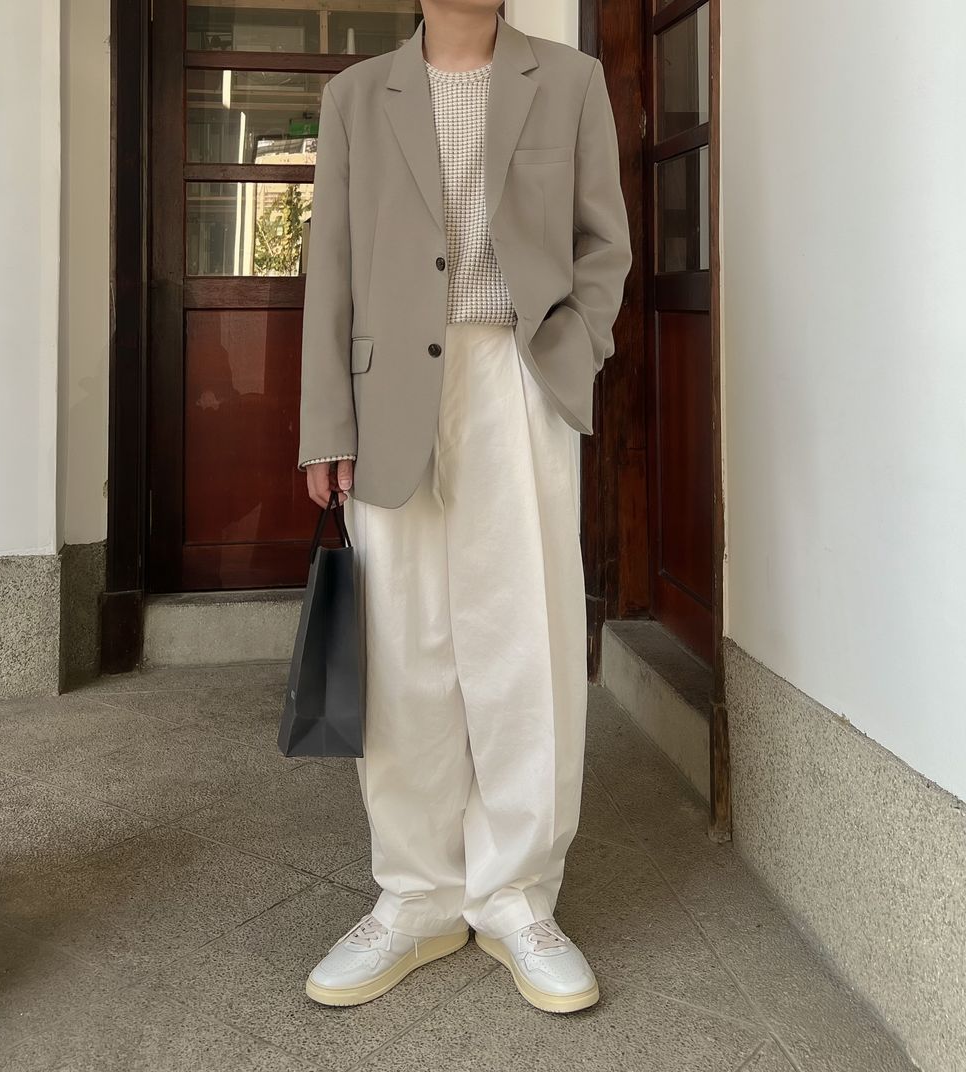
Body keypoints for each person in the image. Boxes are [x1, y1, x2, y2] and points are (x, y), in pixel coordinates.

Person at [296, 0, 632, 1014]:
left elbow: (602, 243)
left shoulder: (569, 81)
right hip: (390, 392)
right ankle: (416, 896)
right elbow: (330, 265)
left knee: (525, 639)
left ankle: (518, 897)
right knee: (404, 645)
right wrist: (327, 421)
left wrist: (575, 351)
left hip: (517, 383)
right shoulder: (355, 97)